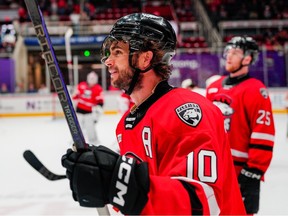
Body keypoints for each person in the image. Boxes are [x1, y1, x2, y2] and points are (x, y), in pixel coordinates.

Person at [61, 13, 245, 215]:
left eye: (117, 52)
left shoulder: (186, 110)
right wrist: (103, 180)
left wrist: (121, 184)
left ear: (144, 58)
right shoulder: (127, 123)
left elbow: (202, 202)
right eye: (109, 53)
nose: (108, 61)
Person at [206, 36, 275, 214]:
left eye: (235, 52)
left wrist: (253, 171)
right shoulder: (213, 87)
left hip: (241, 170)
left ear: (247, 58)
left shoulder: (255, 90)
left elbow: (263, 133)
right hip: (213, 167)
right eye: (228, 51)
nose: (229, 56)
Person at [72, 71, 104, 145]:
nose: (92, 80)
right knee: (77, 128)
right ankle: (76, 141)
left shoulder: (98, 88)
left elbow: (100, 102)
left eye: (93, 79)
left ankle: (94, 142)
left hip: (89, 113)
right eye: (90, 78)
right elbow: (75, 97)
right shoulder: (81, 85)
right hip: (79, 111)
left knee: (90, 129)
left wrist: (97, 114)